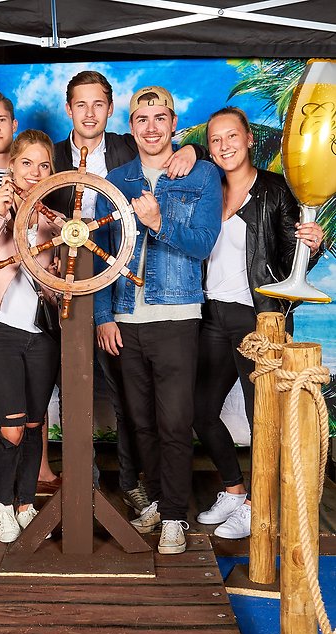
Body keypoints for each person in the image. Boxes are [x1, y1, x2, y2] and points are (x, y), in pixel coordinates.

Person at [52, 70, 206, 515]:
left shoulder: (127, 150)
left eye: (98, 104)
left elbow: (172, 143)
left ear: (111, 110)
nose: (89, 113)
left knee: (126, 402)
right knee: (71, 392)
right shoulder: (51, 155)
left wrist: (192, 150)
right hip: (62, 291)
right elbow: (25, 183)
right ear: (68, 109)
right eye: (81, 104)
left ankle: (133, 486)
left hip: (126, 295)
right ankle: (81, 489)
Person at [94, 85, 222, 555]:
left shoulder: (202, 175)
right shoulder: (116, 180)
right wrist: (104, 315)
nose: (151, 127)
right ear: (130, 127)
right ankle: (155, 503)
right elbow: (102, 253)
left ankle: (173, 516)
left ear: (173, 122)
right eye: (142, 119)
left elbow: (203, 244)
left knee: (174, 422)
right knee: (139, 421)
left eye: (160, 118)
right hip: (125, 318)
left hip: (177, 316)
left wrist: (158, 222)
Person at [193, 106, 324, 539]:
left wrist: (312, 246)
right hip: (212, 316)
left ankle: (257, 506)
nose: (224, 145)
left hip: (260, 318)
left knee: (262, 416)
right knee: (199, 410)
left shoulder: (275, 189)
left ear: (249, 139)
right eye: (215, 140)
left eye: (232, 136)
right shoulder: (207, 188)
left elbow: (291, 262)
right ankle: (234, 490)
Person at [0, 91, 61, 519]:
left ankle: (24, 504)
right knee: (13, 427)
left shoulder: (54, 221)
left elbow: (61, 282)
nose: (35, 173)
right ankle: (3, 503)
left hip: (42, 335)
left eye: (44, 166)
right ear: (12, 166)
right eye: (27, 164)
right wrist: (1, 215)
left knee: (35, 424)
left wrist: (64, 245)